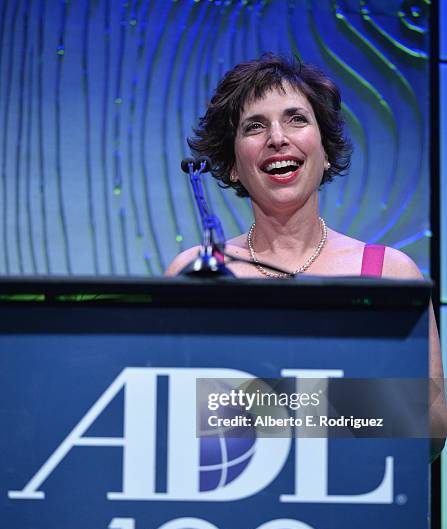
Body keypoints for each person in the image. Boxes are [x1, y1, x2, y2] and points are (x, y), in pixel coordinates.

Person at [165, 53, 447, 458]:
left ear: (326, 151)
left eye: (296, 119)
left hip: (356, 499)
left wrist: (273, 408)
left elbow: (434, 429)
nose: (277, 137)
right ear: (231, 166)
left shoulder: (389, 272)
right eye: (255, 126)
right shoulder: (194, 271)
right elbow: (166, 412)